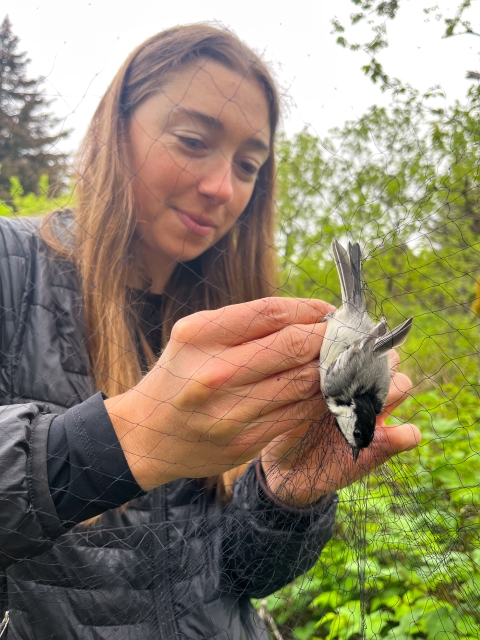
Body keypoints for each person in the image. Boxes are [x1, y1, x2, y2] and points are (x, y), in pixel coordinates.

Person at [0, 24, 420, 640]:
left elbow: (237, 578)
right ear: (115, 131)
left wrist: (283, 500)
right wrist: (114, 445)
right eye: (194, 140)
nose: (223, 188)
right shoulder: (12, 265)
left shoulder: (238, 317)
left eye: (249, 165)